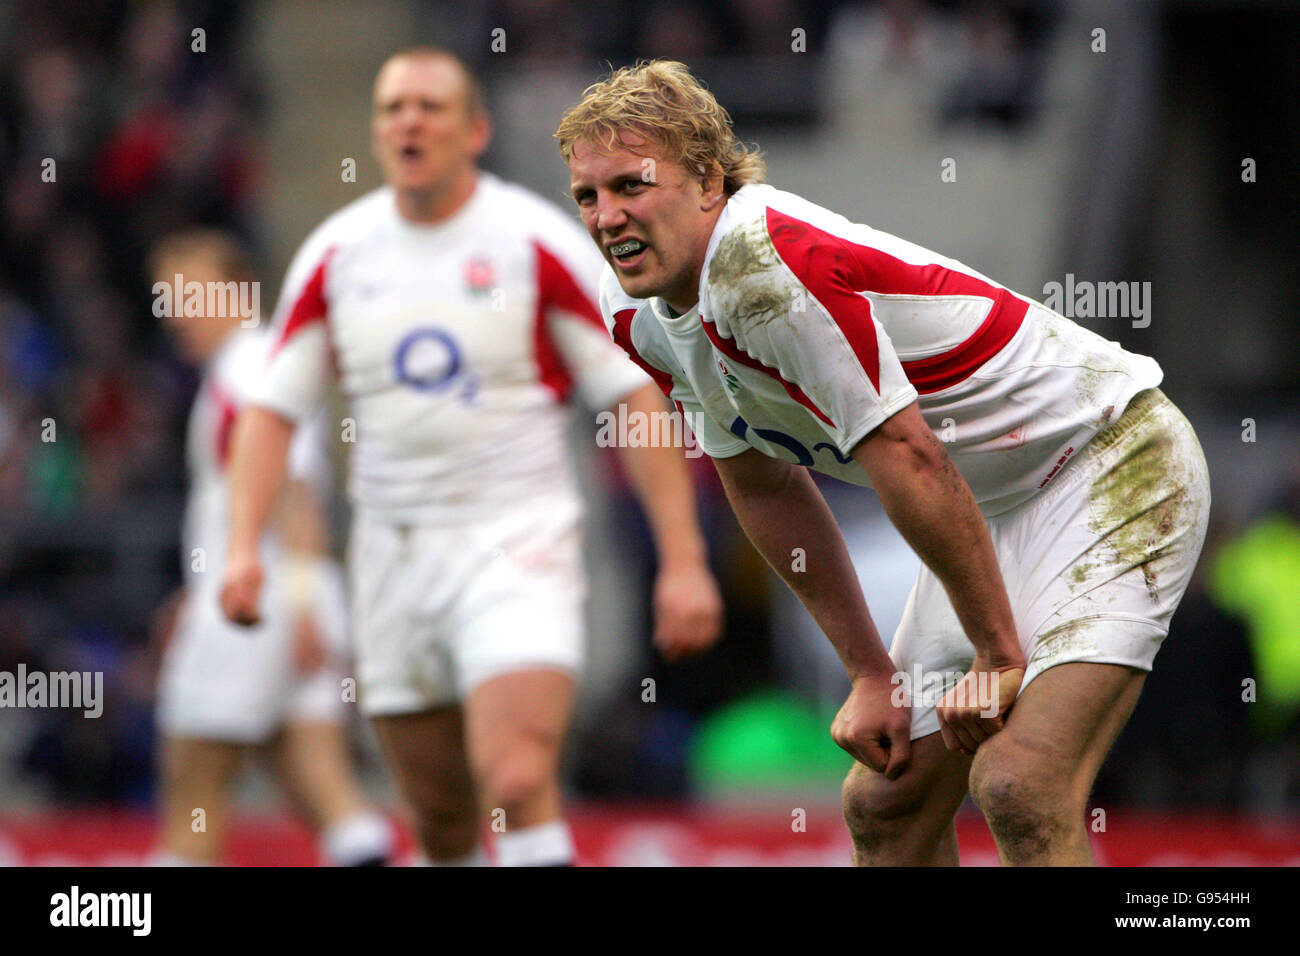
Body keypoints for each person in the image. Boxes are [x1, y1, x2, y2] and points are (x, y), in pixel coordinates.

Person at [557, 60, 1211, 866]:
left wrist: (998, 656)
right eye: (589, 196)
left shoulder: (761, 267)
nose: (607, 216)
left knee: (1020, 786)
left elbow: (912, 456)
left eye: (630, 185)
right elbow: (760, 480)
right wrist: (870, 673)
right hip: (993, 504)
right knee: (887, 806)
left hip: (1110, 458)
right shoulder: (632, 310)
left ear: (704, 179)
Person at [219, 49, 722, 867]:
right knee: (442, 823)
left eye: (430, 105)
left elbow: (631, 397)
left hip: (517, 543)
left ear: (475, 130)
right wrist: (243, 550)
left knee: (518, 782)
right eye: (392, 108)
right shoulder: (339, 254)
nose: (409, 120)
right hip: (393, 557)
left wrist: (683, 557)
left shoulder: (534, 241)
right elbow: (272, 411)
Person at [151, 229, 395, 866]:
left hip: (254, 604)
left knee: (193, 787)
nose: (174, 310)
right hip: (288, 599)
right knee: (322, 787)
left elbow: (295, 489)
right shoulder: (257, 363)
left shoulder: (247, 369)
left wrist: (299, 599)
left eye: (186, 292)